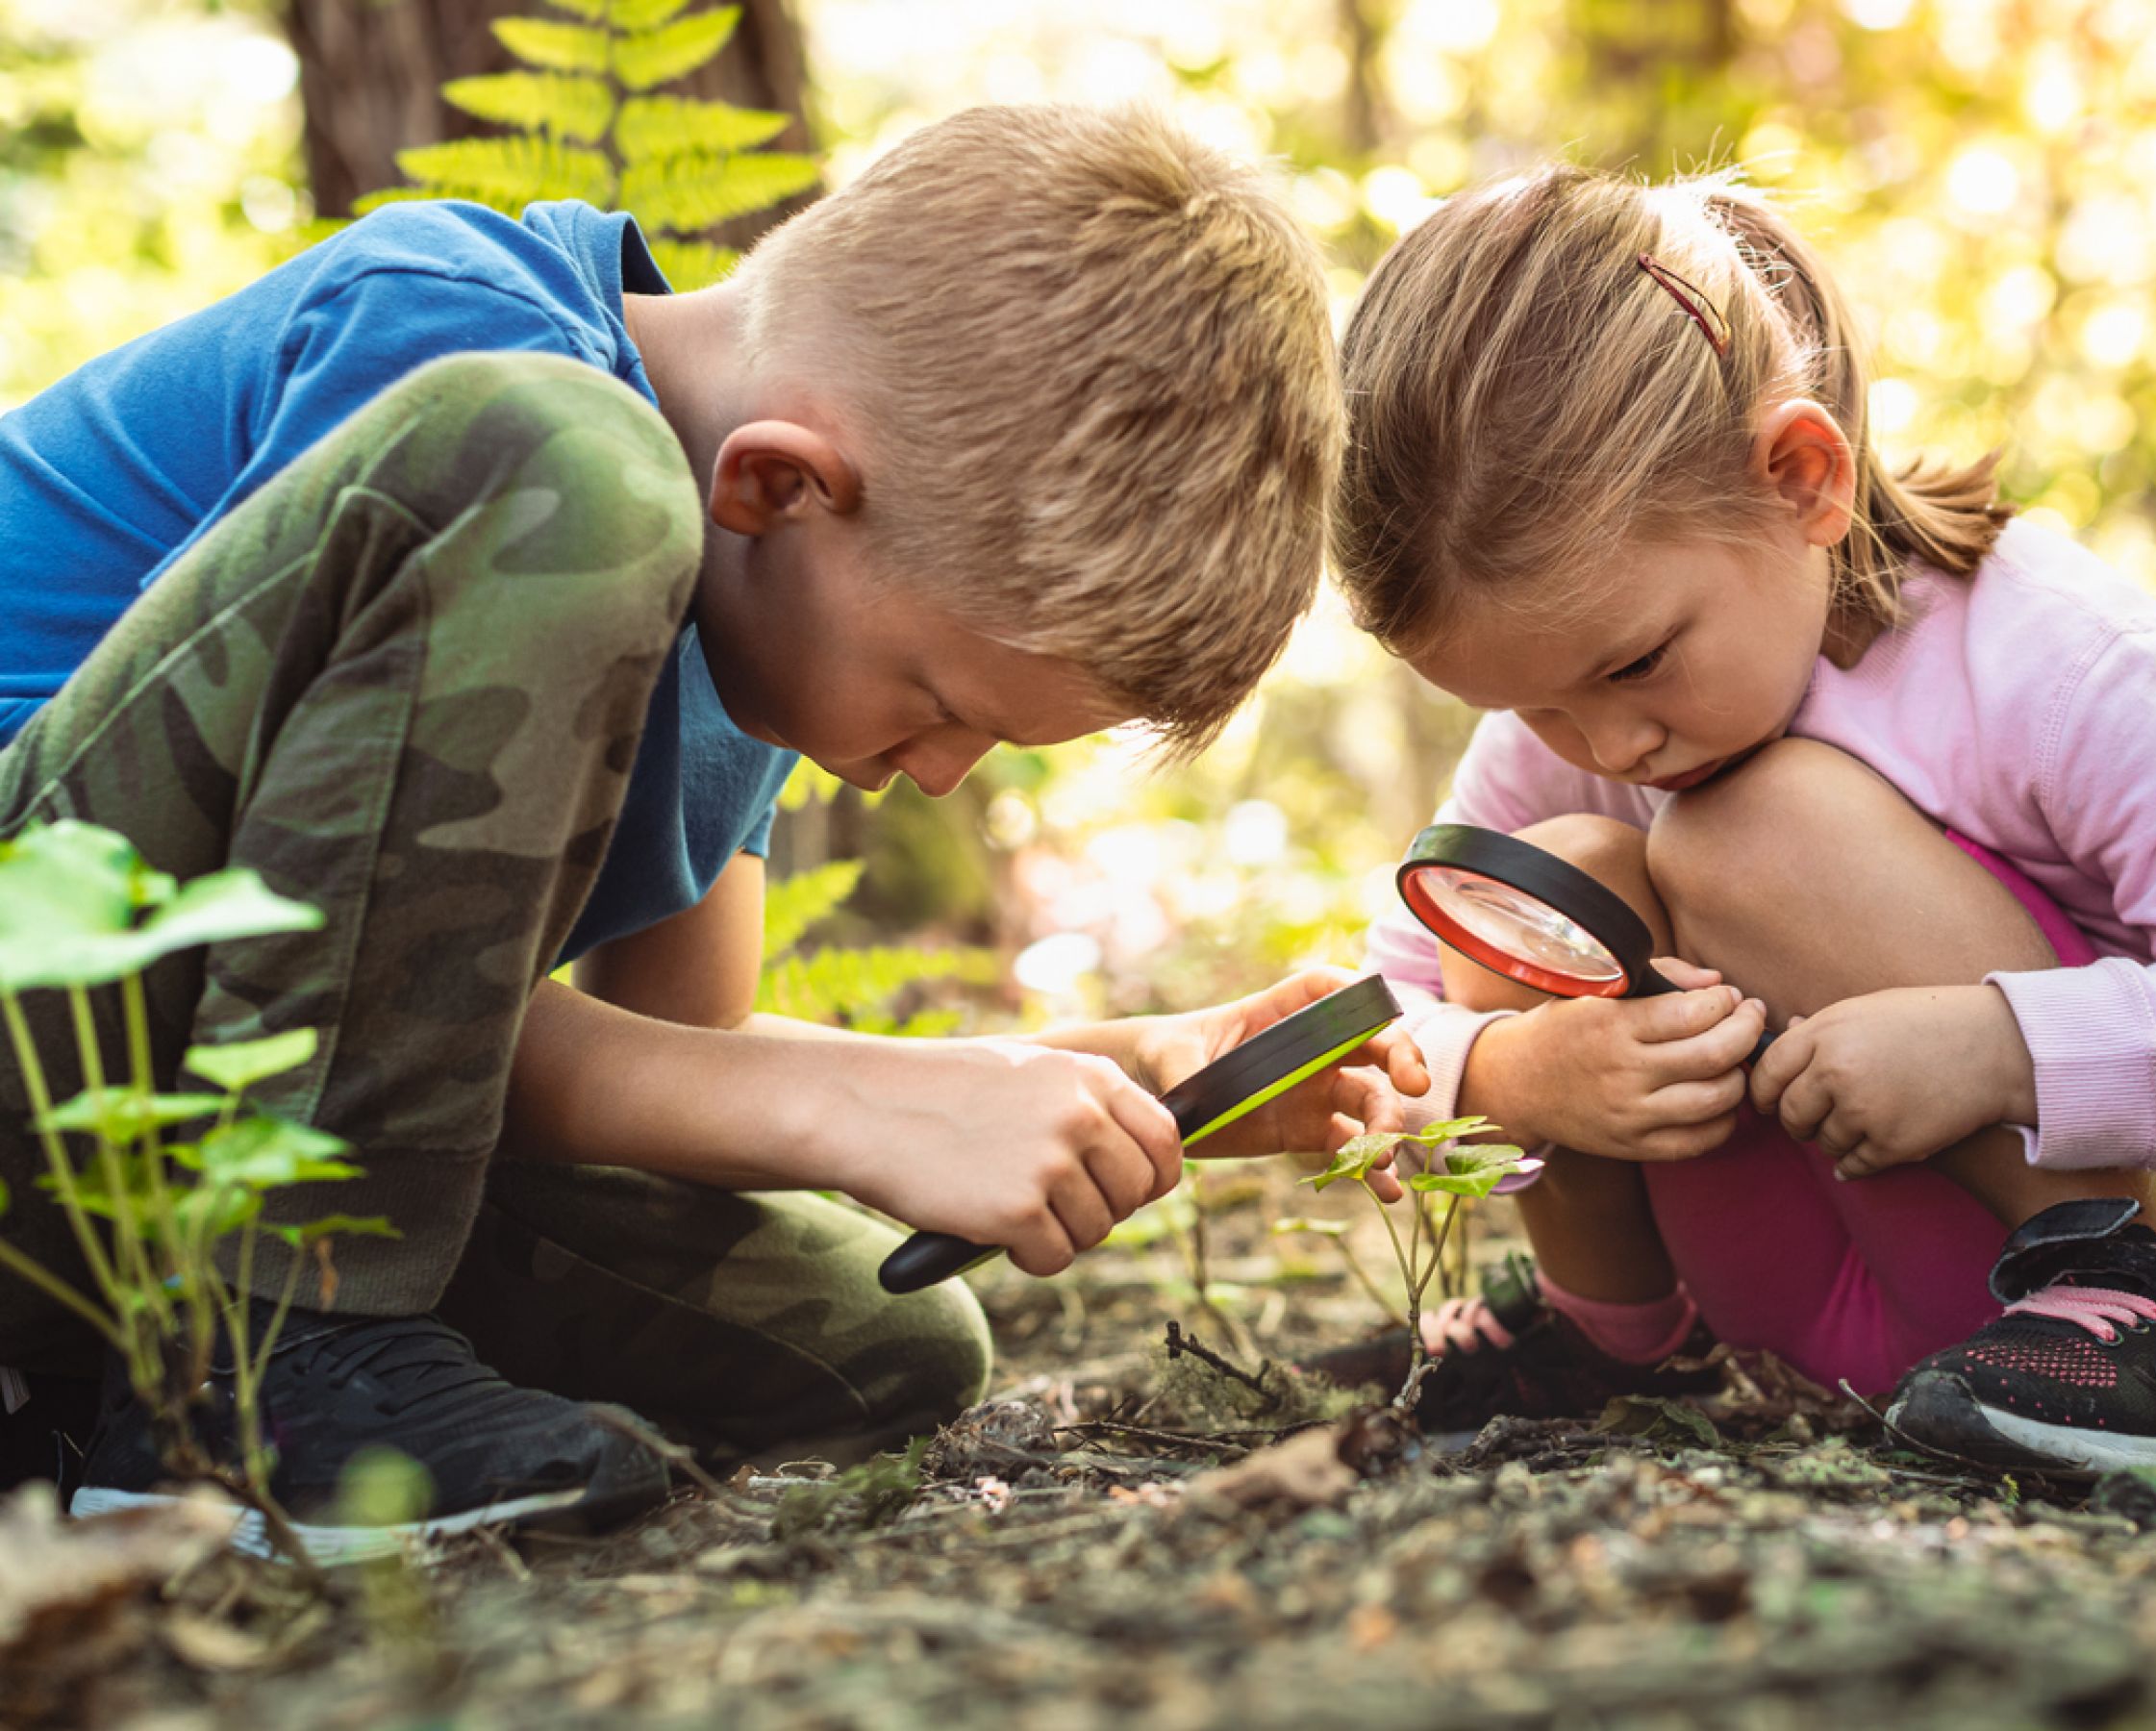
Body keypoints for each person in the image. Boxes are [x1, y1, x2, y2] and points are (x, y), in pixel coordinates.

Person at [0, 103, 1423, 1548]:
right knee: (567, 464)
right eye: (940, 704)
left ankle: (80, 1400)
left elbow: (662, 1063)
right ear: (778, 486)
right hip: (45, 962)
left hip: (168, 1131)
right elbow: (288, 926)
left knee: (866, 1341)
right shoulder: (493, 388)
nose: (934, 778)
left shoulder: (760, 617)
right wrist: (858, 1109)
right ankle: (254, 1389)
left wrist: (1126, 1070)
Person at [1319, 163, 2156, 1469]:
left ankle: (2155, 1316)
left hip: (2142, 1255)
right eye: (1531, 708)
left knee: (1754, 830)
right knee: (1542, 870)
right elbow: (1374, 1030)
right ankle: (1604, 1331)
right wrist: (1515, 1074)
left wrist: (1999, 1047)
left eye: (1633, 667)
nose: (1605, 744)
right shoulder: (1571, 717)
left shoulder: (2042, 652)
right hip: (1785, 1296)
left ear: (1801, 478)